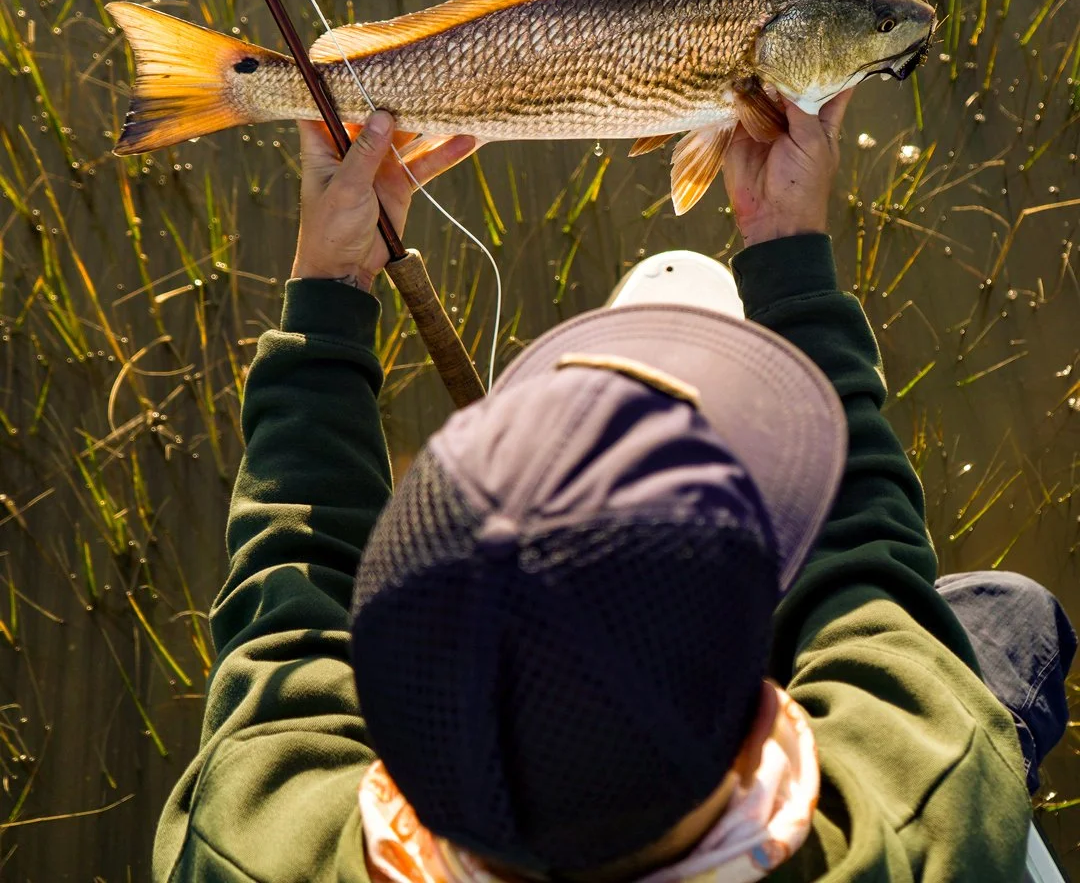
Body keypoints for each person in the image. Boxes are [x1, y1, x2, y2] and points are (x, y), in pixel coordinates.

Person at [152, 98, 1074, 883]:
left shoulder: (252, 841)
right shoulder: (926, 802)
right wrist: (787, 248)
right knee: (1008, 613)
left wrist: (330, 278)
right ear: (762, 707)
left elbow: (289, 599)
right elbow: (873, 578)